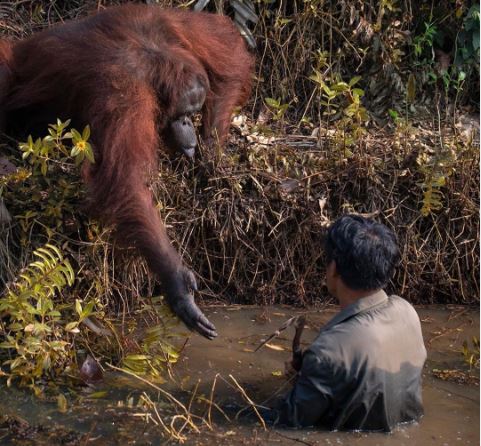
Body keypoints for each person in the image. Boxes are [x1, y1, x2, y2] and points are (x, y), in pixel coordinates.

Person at [276, 214, 427, 431]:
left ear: (334, 268)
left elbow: (289, 422)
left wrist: (296, 386)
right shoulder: (407, 312)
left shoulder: (328, 351)